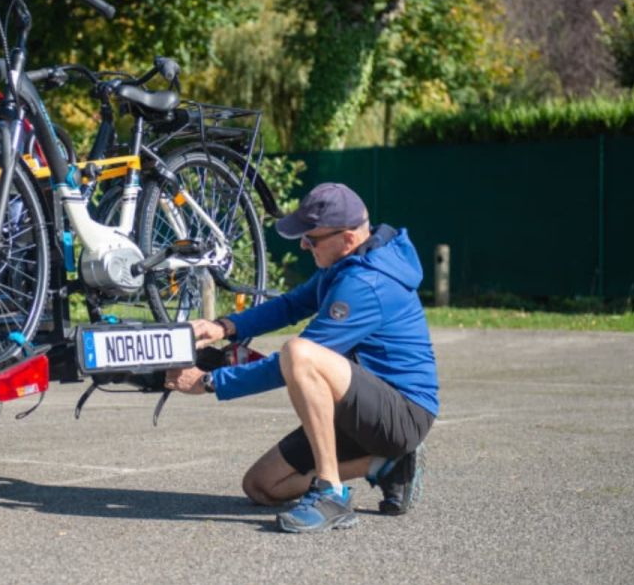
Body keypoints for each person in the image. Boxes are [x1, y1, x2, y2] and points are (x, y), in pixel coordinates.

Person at [164, 182, 438, 533]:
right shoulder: (344, 266)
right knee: (262, 486)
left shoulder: (365, 284)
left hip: (400, 415)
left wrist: (208, 382)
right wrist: (224, 326)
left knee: (300, 353)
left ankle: (331, 493)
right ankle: (384, 466)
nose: (305, 245)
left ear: (348, 238)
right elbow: (291, 304)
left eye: (312, 239)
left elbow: (291, 366)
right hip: (358, 411)